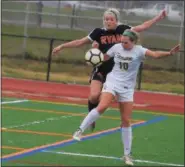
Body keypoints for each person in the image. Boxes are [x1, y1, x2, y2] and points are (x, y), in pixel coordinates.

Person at [72, 29, 180, 166]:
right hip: (112, 81)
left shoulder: (139, 51)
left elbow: (155, 55)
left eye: (126, 42)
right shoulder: (117, 47)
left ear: (133, 42)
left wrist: (169, 53)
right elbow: (104, 57)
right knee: (103, 106)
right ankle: (80, 130)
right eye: (122, 41)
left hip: (127, 89)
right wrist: (94, 55)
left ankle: (127, 155)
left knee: (126, 120)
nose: (123, 44)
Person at [52, 8, 167, 131]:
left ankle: (109, 117)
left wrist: (158, 18)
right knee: (93, 96)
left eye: (111, 19)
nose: (108, 21)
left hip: (117, 74)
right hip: (101, 69)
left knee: (107, 100)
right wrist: (62, 46)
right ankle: (92, 118)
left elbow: (143, 27)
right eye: (106, 19)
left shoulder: (123, 30)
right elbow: (80, 42)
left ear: (116, 20)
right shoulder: (98, 32)